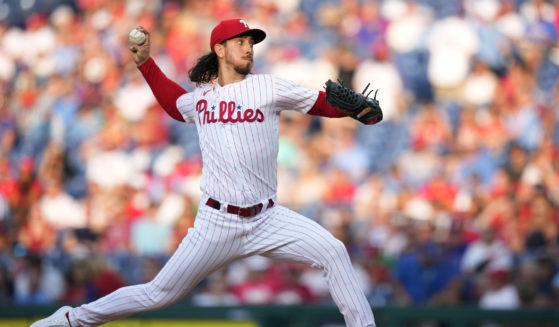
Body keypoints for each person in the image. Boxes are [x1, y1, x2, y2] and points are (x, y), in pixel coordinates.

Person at [30, 19, 377, 327]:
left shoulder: (269, 87)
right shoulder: (202, 99)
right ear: (220, 50)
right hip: (217, 223)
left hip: (267, 218)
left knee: (333, 250)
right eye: (240, 41)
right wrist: (145, 64)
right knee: (157, 294)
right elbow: (172, 102)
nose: (248, 47)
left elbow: (320, 102)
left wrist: (355, 110)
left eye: (251, 42)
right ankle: (71, 320)